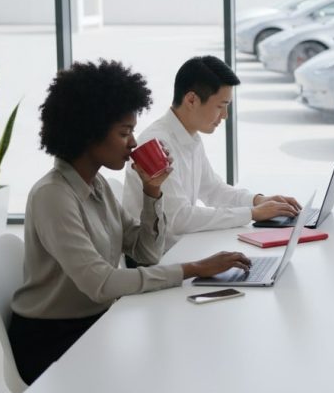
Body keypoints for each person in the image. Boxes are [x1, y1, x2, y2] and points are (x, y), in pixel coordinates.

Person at [9, 60, 252, 384]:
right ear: (88, 133)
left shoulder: (98, 187)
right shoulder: (53, 196)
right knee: (168, 370)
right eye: (124, 132)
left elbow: (147, 253)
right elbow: (102, 283)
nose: (134, 143)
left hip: (96, 322)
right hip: (53, 340)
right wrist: (193, 268)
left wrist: (153, 192)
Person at [123, 56, 300, 252]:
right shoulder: (156, 143)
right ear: (191, 99)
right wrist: (251, 213)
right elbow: (179, 219)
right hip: (160, 260)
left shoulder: (190, 136)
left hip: (183, 248)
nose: (225, 116)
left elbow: (213, 189)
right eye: (220, 106)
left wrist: (258, 201)